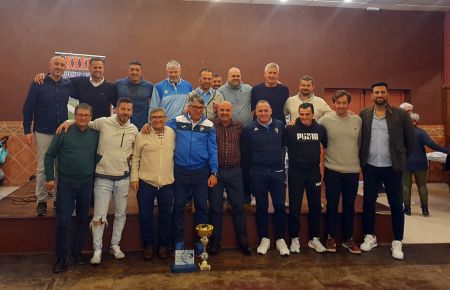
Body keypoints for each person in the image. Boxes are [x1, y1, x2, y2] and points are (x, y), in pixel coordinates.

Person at [58, 97, 138, 264]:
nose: (125, 112)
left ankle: (115, 245)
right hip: (102, 177)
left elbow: (135, 154)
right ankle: (97, 249)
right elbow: (83, 121)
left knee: (121, 214)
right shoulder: (102, 122)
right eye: (122, 109)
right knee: (99, 215)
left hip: (123, 178)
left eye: (129, 110)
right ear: (116, 109)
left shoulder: (134, 130)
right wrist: (68, 121)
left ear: (132, 111)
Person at [359, 82, 416, 260]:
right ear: (372, 95)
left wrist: (402, 160)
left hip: (392, 167)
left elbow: (411, 142)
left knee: (396, 204)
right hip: (370, 166)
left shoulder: (400, 115)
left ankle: (397, 240)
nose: (380, 95)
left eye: (383, 92)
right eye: (376, 92)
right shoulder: (365, 114)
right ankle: (369, 236)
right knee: (368, 202)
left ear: (387, 94)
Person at [44, 103, 99, 273]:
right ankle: (61, 257)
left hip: (86, 184)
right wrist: (50, 178)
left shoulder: (95, 134)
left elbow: (98, 156)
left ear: (91, 118)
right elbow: (49, 155)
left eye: (86, 115)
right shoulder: (64, 131)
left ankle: (77, 253)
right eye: (80, 115)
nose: (83, 118)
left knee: (83, 220)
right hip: (66, 184)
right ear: (74, 116)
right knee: (63, 222)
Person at [23, 55, 75, 217]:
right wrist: (26, 130)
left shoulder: (69, 84)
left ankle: (59, 199)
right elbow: (27, 108)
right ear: (49, 65)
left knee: (61, 167)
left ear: (65, 68)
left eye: (62, 65)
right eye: (56, 64)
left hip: (63, 133)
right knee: (43, 168)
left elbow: (76, 104)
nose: (59, 67)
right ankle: (42, 200)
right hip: (43, 132)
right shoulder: (38, 83)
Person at [168, 94, 218, 255]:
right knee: (179, 207)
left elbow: (213, 150)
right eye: (195, 107)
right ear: (188, 107)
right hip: (180, 171)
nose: (198, 110)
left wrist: (214, 172)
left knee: (202, 207)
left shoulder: (209, 125)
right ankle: (178, 241)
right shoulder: (177, 121)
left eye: (200, 108)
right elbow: (160, 126)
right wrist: (149, 126)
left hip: (201, 172)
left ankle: (200, 242)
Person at [242, 100, 289, 256]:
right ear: (256, 112)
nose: (263, 113)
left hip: (277, 172)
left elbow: (284, 145)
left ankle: (280, 239)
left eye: (265, 110)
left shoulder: (280, 125)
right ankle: (264, 238)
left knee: (280, 206)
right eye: (260, 111)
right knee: (261, 206)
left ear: (271, 111)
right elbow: (246, 153)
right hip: (258, 173)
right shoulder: (249, 129)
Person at [318, 90, 362, 254]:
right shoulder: (325, 120)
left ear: (348, 104)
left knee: (350, 206)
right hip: (333, 170)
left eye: (344, 103)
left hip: (352, 170)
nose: (341, 106)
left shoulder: (358, 120)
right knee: (332, 205)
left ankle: (348, 238)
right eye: (338, 103)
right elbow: (312, 129)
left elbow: (361, 144)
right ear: (333, 103)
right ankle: (331, 237)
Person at [130, 108, 175, 260]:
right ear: (149, 119)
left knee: (166, 216)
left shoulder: (172, 133)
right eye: (154, 117)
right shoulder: (142, 134)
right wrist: (134, 178)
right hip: (146, 182)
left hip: (167, 184)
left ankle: (163, 246)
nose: (157, 120)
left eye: (160, 117)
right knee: (145, 216)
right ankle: (148, 245)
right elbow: (135, 157)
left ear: (166, 118)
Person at [209, 101, 252, 256]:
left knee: (238, 207)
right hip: (216, 172)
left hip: (235, 171)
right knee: (215, 207)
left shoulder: (240, 127)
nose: (225, 113)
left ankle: (243, 240)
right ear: (217, 111)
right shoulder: (211, 126)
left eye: (227, 110)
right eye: (222, 110)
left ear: (231, 111)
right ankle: (215, 241)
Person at [284, 103, 328, 254]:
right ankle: (294, 238)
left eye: (307, 114)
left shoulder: (320, 129)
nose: (304, 117)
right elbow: (283, 145)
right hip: (296, 172)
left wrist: (322, 167)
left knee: (315, 206)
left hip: (313, 173)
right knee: (295, 207)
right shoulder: (290, 129)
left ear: (313, 114)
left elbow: (326, 147)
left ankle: (314, 238)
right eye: (301, 114)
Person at [34, 57, 118, 120]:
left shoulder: (110, 87)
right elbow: (58, 79)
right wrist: (45, 76)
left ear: (103, 69)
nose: (97, 70)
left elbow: (117, 106)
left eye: (100, 67)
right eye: (95, 67)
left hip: (102, 127)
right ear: (89, 68)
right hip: (83, 125)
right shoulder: (79, 81)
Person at [218, 67, 253, 203]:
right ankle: (224, 193)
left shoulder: (249, 89)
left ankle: (245, 194)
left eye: (238, 76)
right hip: (227, 130)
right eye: (233, 76)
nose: (236, 78)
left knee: (244, 163)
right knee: (227, 160)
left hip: (244, 133)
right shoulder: (220, 91)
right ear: (227, 76)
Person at [403, 112, 449, 216]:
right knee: (422, 185)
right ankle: (425, 210)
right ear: (417, 121)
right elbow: (432, 144)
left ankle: (407, 209)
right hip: (420, 162)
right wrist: (446, 151)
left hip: (405, 163)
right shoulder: (421, 132)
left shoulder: (403, 132)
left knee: (406, 186)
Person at [116, 61, 153, 130]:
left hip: (143, 126)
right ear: (128, 71)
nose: (134, 72)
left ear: (141, 72)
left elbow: (153, 105)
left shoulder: (149, 86)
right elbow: (114, 103)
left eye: (137, 70)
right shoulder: (119, 84)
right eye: (132, 70)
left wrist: (150, 123)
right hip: (122, 125)